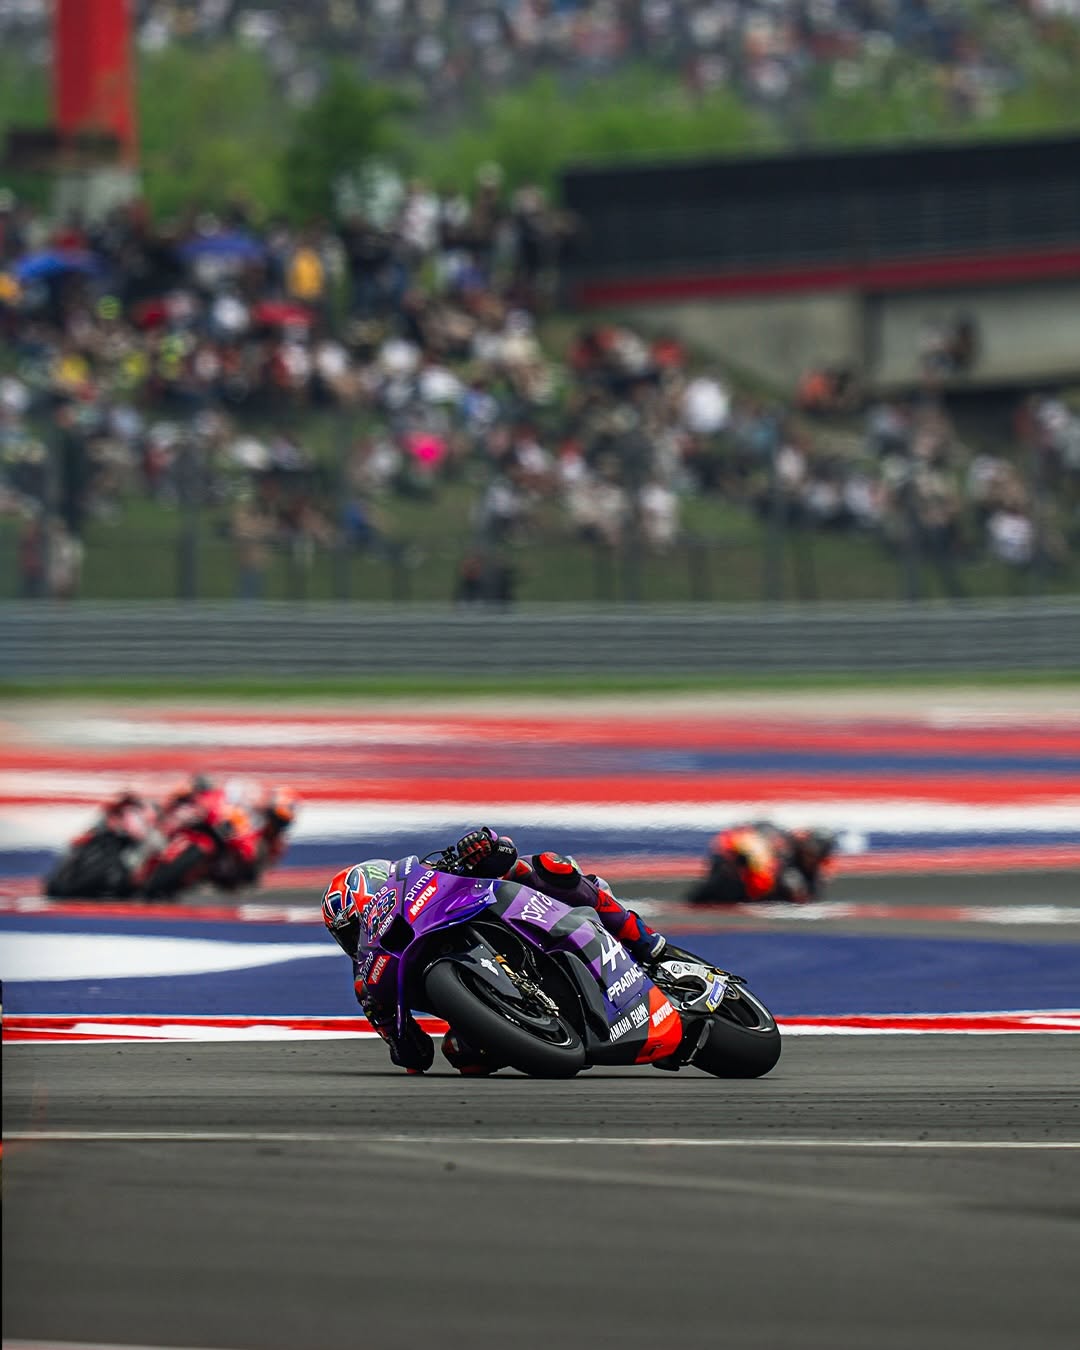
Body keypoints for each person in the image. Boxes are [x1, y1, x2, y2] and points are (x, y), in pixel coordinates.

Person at [322, 827, 669, 1075]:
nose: (357, 938)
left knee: (550, 866)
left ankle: (642, 939)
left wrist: (482, 846)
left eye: (357, 925)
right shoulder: (368, 982)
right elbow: (415, 1057)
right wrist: (387, 1025)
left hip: (521, 913)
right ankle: (542, 1031)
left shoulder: (431, 877)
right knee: (462, 1055)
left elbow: (505, 853)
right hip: (509, 1021)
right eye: (347, 935)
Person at [686, 822, 836, 906]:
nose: (810, 856)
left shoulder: (817, 874)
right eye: (809, 851)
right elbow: (743, 839)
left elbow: (809, 898)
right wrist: (757, 856)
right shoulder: (780, 841)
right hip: (740, 879)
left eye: (814, 854)